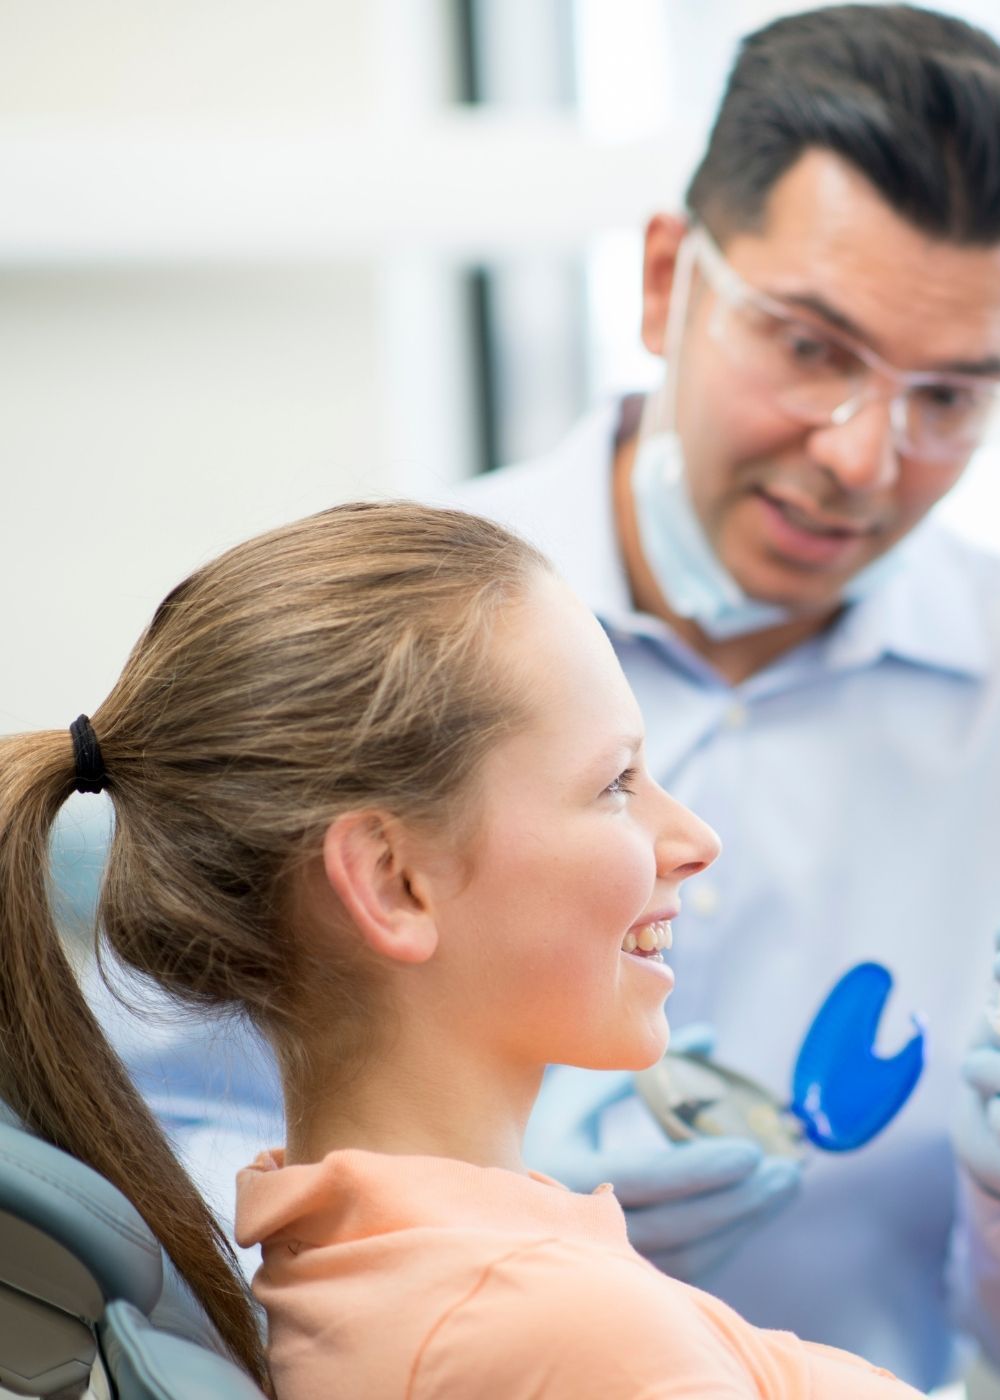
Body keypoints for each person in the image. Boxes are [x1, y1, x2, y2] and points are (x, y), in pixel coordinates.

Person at [101, 6, 1000, 1397]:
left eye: (949, 396)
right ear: (663, 282)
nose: (864, 457)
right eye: (813, 350)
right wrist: (481, 1198)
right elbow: (141, 1192)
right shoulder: (399, 636)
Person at [1, 502, 922, 1397]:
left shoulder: (392, 1274)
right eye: (616, 782)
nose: (694, 838)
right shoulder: (564, 1336)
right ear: (394, 881)